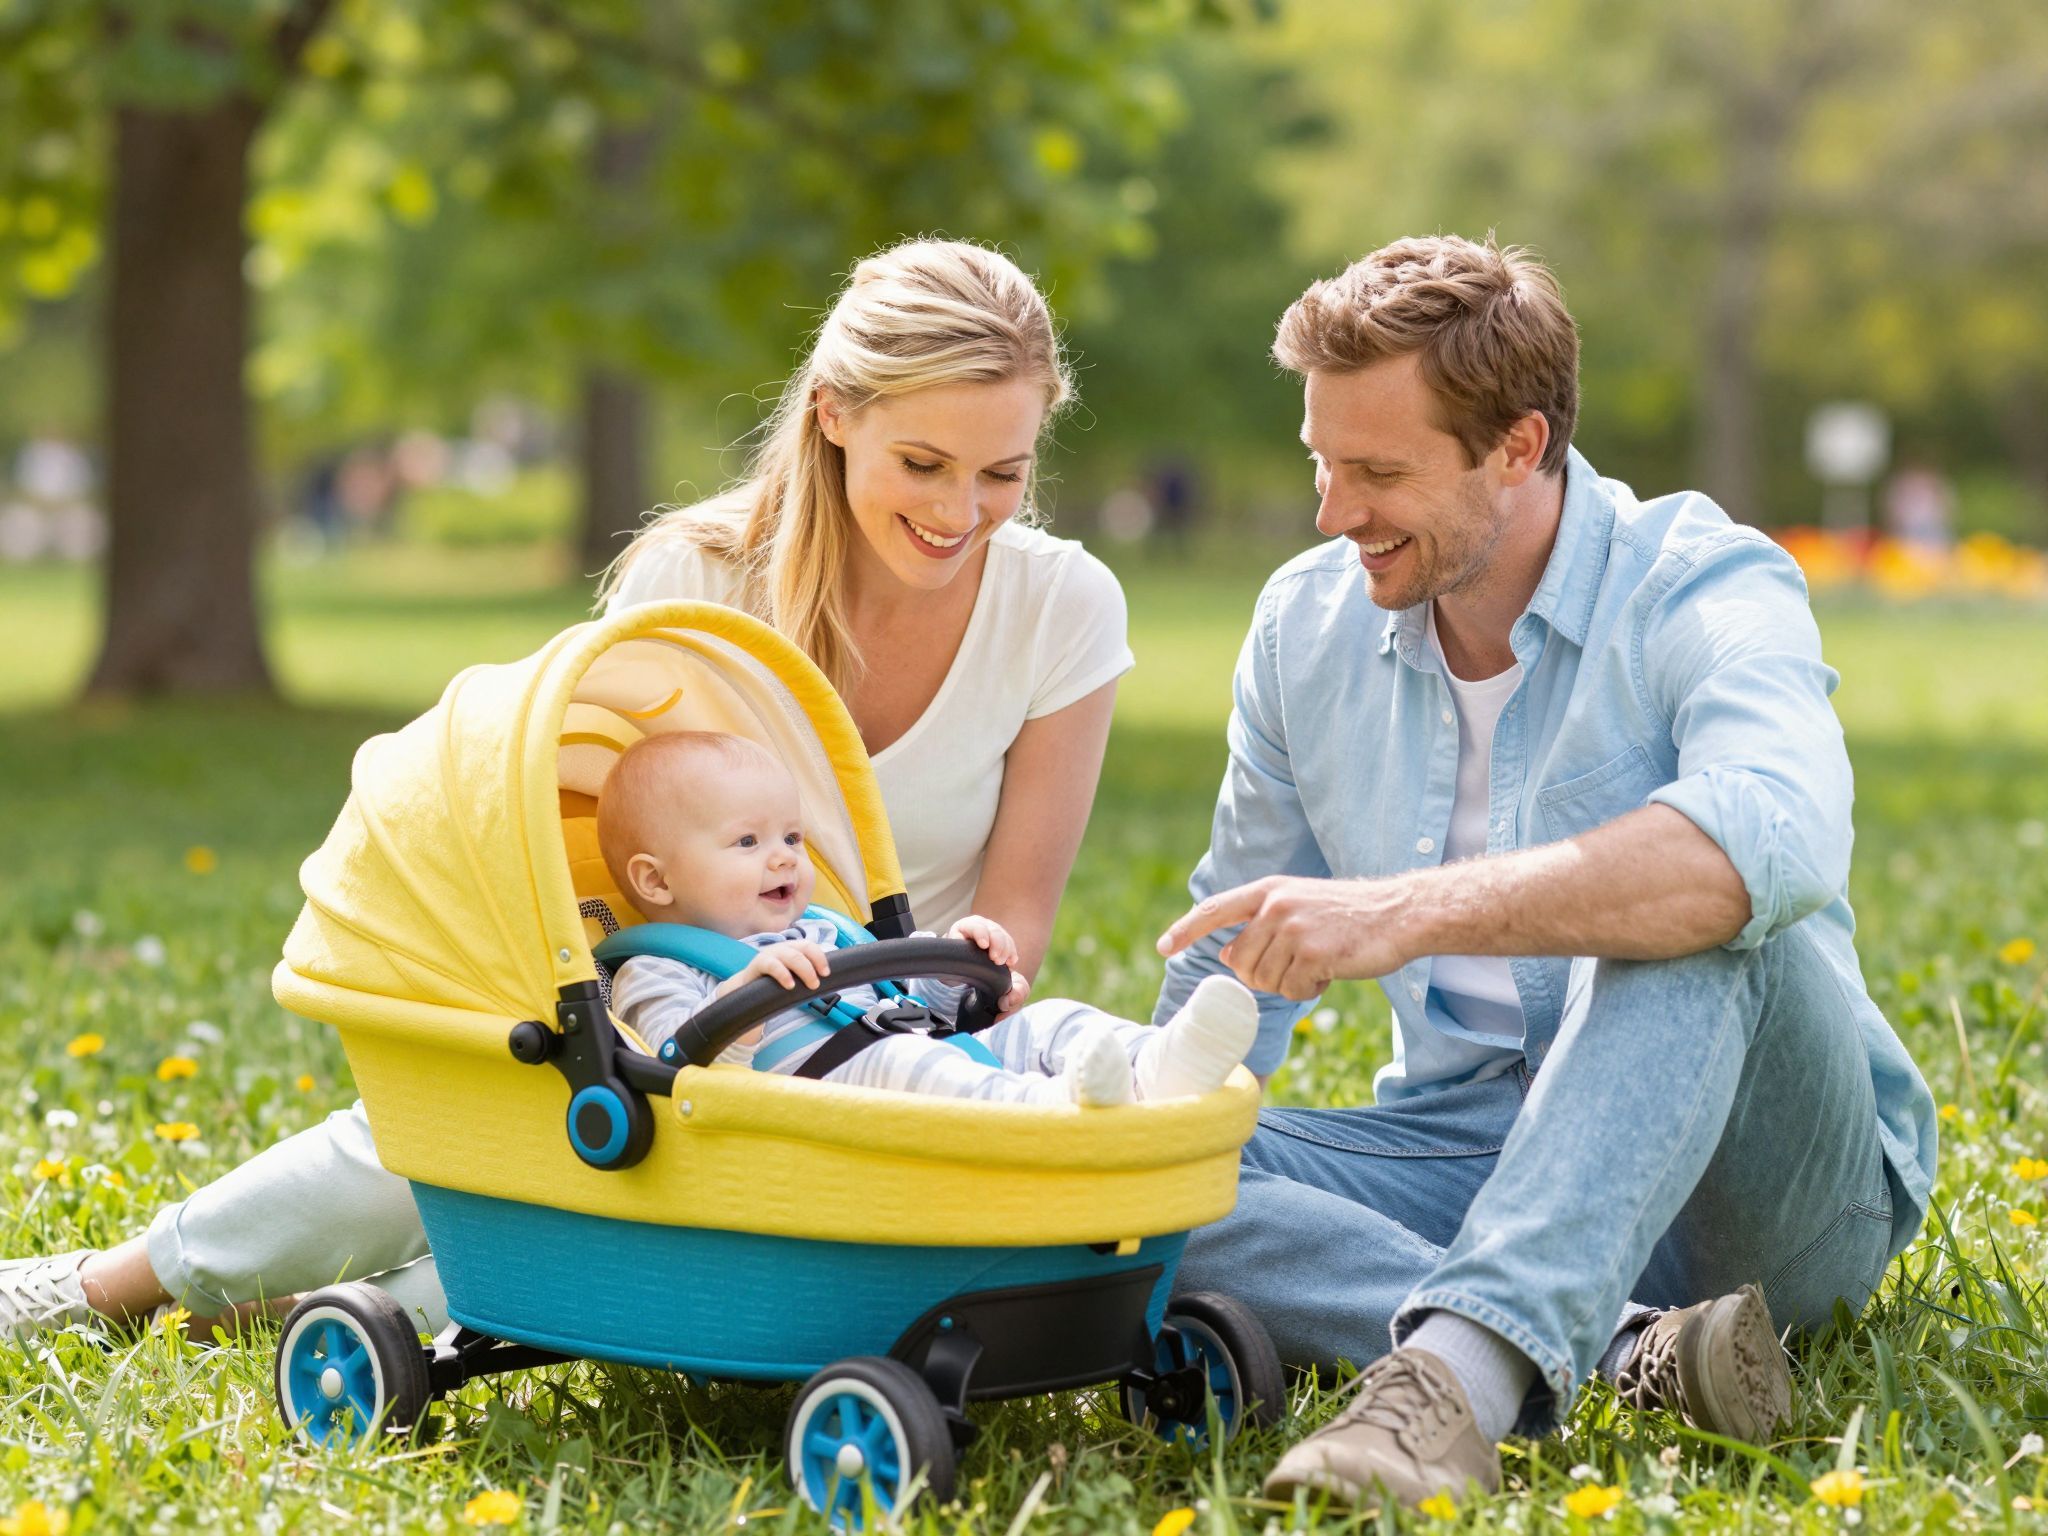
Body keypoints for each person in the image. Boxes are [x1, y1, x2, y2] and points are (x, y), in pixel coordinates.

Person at [0, 238, 1134, 1340]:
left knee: (563, 1280)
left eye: (1003, 474)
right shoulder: (696, 580)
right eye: (923, 465)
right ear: (834, 415)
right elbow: (607, 852)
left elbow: (1011, 933)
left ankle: (313, 1317)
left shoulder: (1061, 609)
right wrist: (710, 1024)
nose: (961, 513)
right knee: (468, 1122)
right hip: (684, 1013)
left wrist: (926, 1009)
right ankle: (106, 1287)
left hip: (885, 1050)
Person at [1152, 236, 1936, 1510]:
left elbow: (1767, 836)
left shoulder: (1698, 582)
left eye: (1379, 472)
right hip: (1470, 1155)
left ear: (1517, 447)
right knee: (1131, 1185)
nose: (1332, 512)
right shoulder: (1304, 627)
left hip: (1760, 1192)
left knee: (1689, 899)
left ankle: (1450, 1388)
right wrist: (1145, 1129)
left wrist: (1405, 912)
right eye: (1319, 463)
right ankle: (1632, 1352)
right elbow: (1230, 958)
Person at [600, 731, 1258, 1104]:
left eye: (792, 838)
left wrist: (955, 968)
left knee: (1049, 1020)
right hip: (825, 1102)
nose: (783, 858)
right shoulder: (656, 966)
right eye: (747, 842)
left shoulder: (825, 928)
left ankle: (1157, 1065)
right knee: (906, 1063)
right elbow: (673, 1063)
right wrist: (744, 998)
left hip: (919, 1059)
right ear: (656, 880)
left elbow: (908, 1005)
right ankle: (1061, 1112)